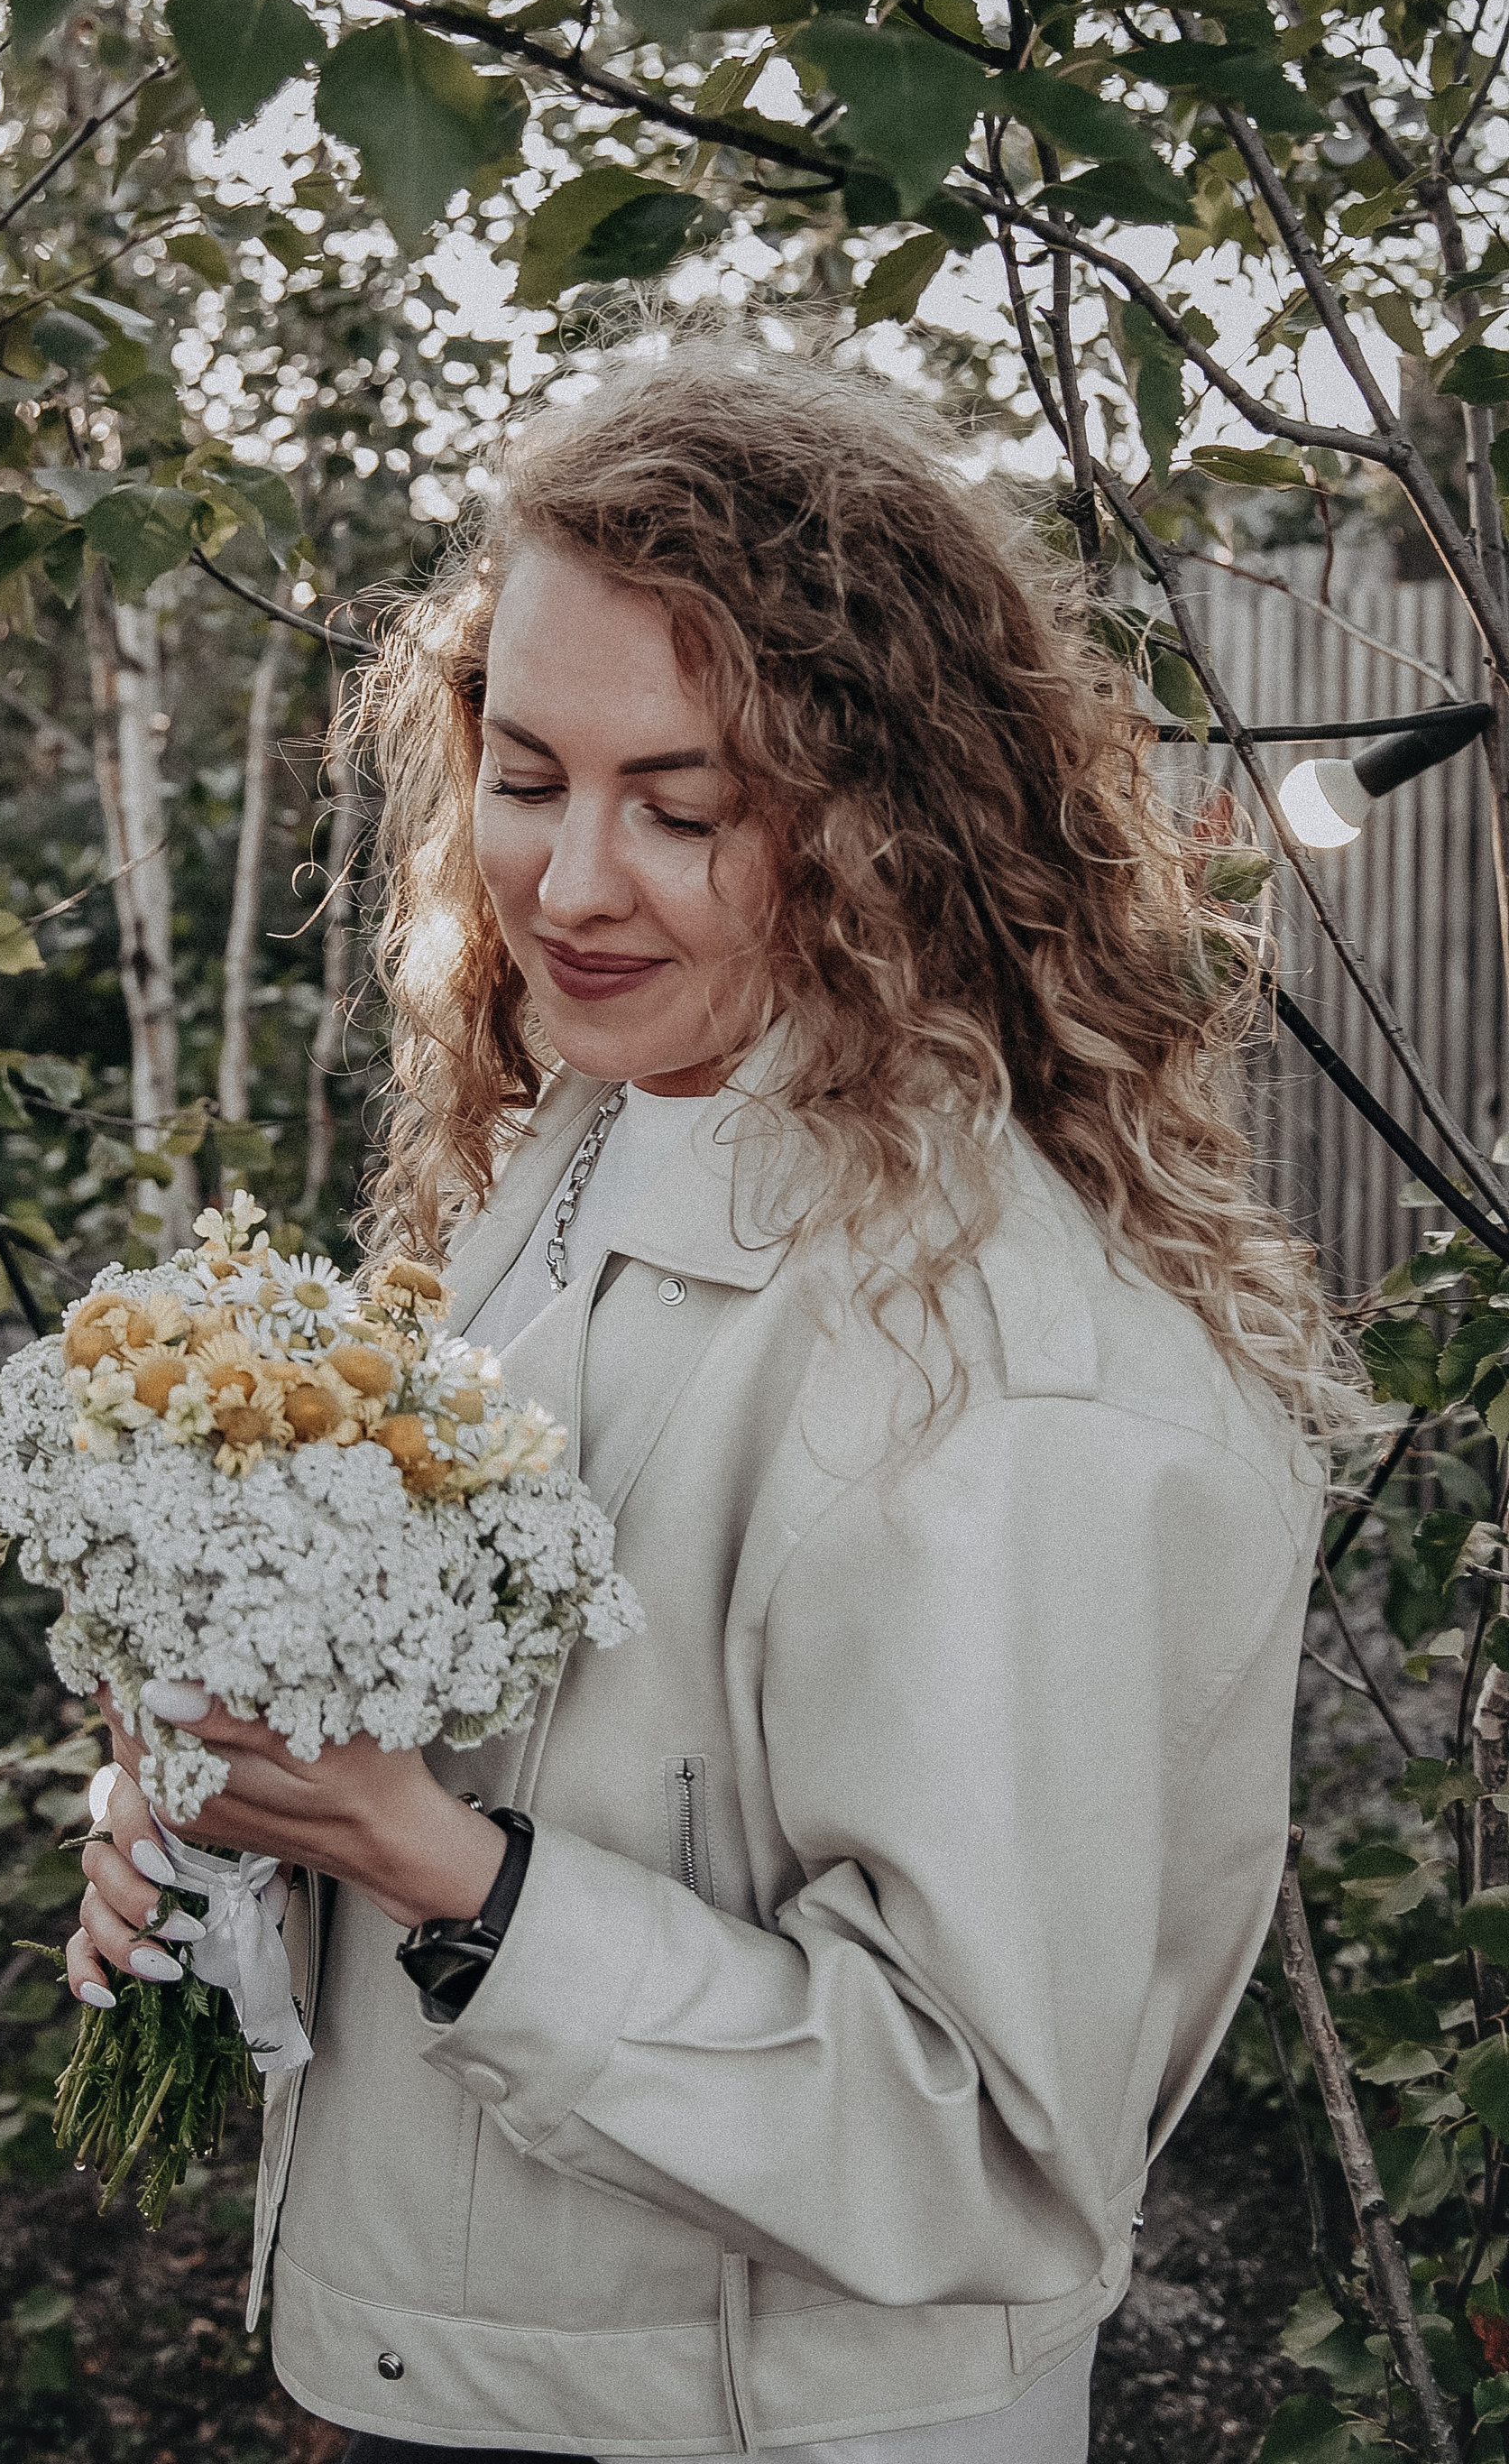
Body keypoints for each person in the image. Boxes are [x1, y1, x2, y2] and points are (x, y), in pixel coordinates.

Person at [69, 333, 1338, 2464]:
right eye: (528, 774)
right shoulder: (592, 1141)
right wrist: (234, 1833)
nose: (570, 886)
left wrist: (445, 1872)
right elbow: (523, 1755)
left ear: (888, 824)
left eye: (682, 808)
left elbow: (985, 2151)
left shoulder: (1003, 1376)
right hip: (495, 2381)